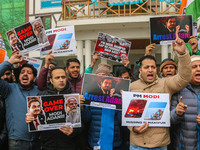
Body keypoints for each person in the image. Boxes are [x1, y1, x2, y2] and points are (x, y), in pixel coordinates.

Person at [128, 35, 192, 150]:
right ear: (140, 70)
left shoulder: (165, 83)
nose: (150, 70)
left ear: (156, 69)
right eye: (146, 67)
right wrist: (133, 128)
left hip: (160, 144)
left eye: (153, 67)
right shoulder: (131, 87)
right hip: (137, 144)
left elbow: (184, 78)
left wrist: (183, 54)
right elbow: (125, 114)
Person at [26, 65, 81, 150]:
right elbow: (37, 124)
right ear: (51, 80)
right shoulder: (41, 96)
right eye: (57, 77)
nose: (61, 80)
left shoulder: (74, 97)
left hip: (69, 145)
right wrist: (30, 120)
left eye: (63, 77)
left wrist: (73, 132)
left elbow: (84, 123)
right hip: (48, 146)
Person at [0, 50, 40, 150]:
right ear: (19, 76)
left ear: (34, 78)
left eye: (29, 73)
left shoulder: (40, 91)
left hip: (37, 141)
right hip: (16, 142)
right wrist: (9, 62)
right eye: (22, 72)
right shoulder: (9, 89)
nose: (25, 74)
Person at [82, 63, 122, 150]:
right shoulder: (90, 94)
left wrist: (123, 103)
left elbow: (120, 120)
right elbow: (86, 119)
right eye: (98, 75)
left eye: (104, 75)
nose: (101, 77)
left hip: (114, 142)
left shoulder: (117, 95)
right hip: (95, 142)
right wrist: (82, 107)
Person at [170, 55, 200, 150]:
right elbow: (169, 119)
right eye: (194, 67)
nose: (198, 69)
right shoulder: (178, 90)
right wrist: (177, 113)